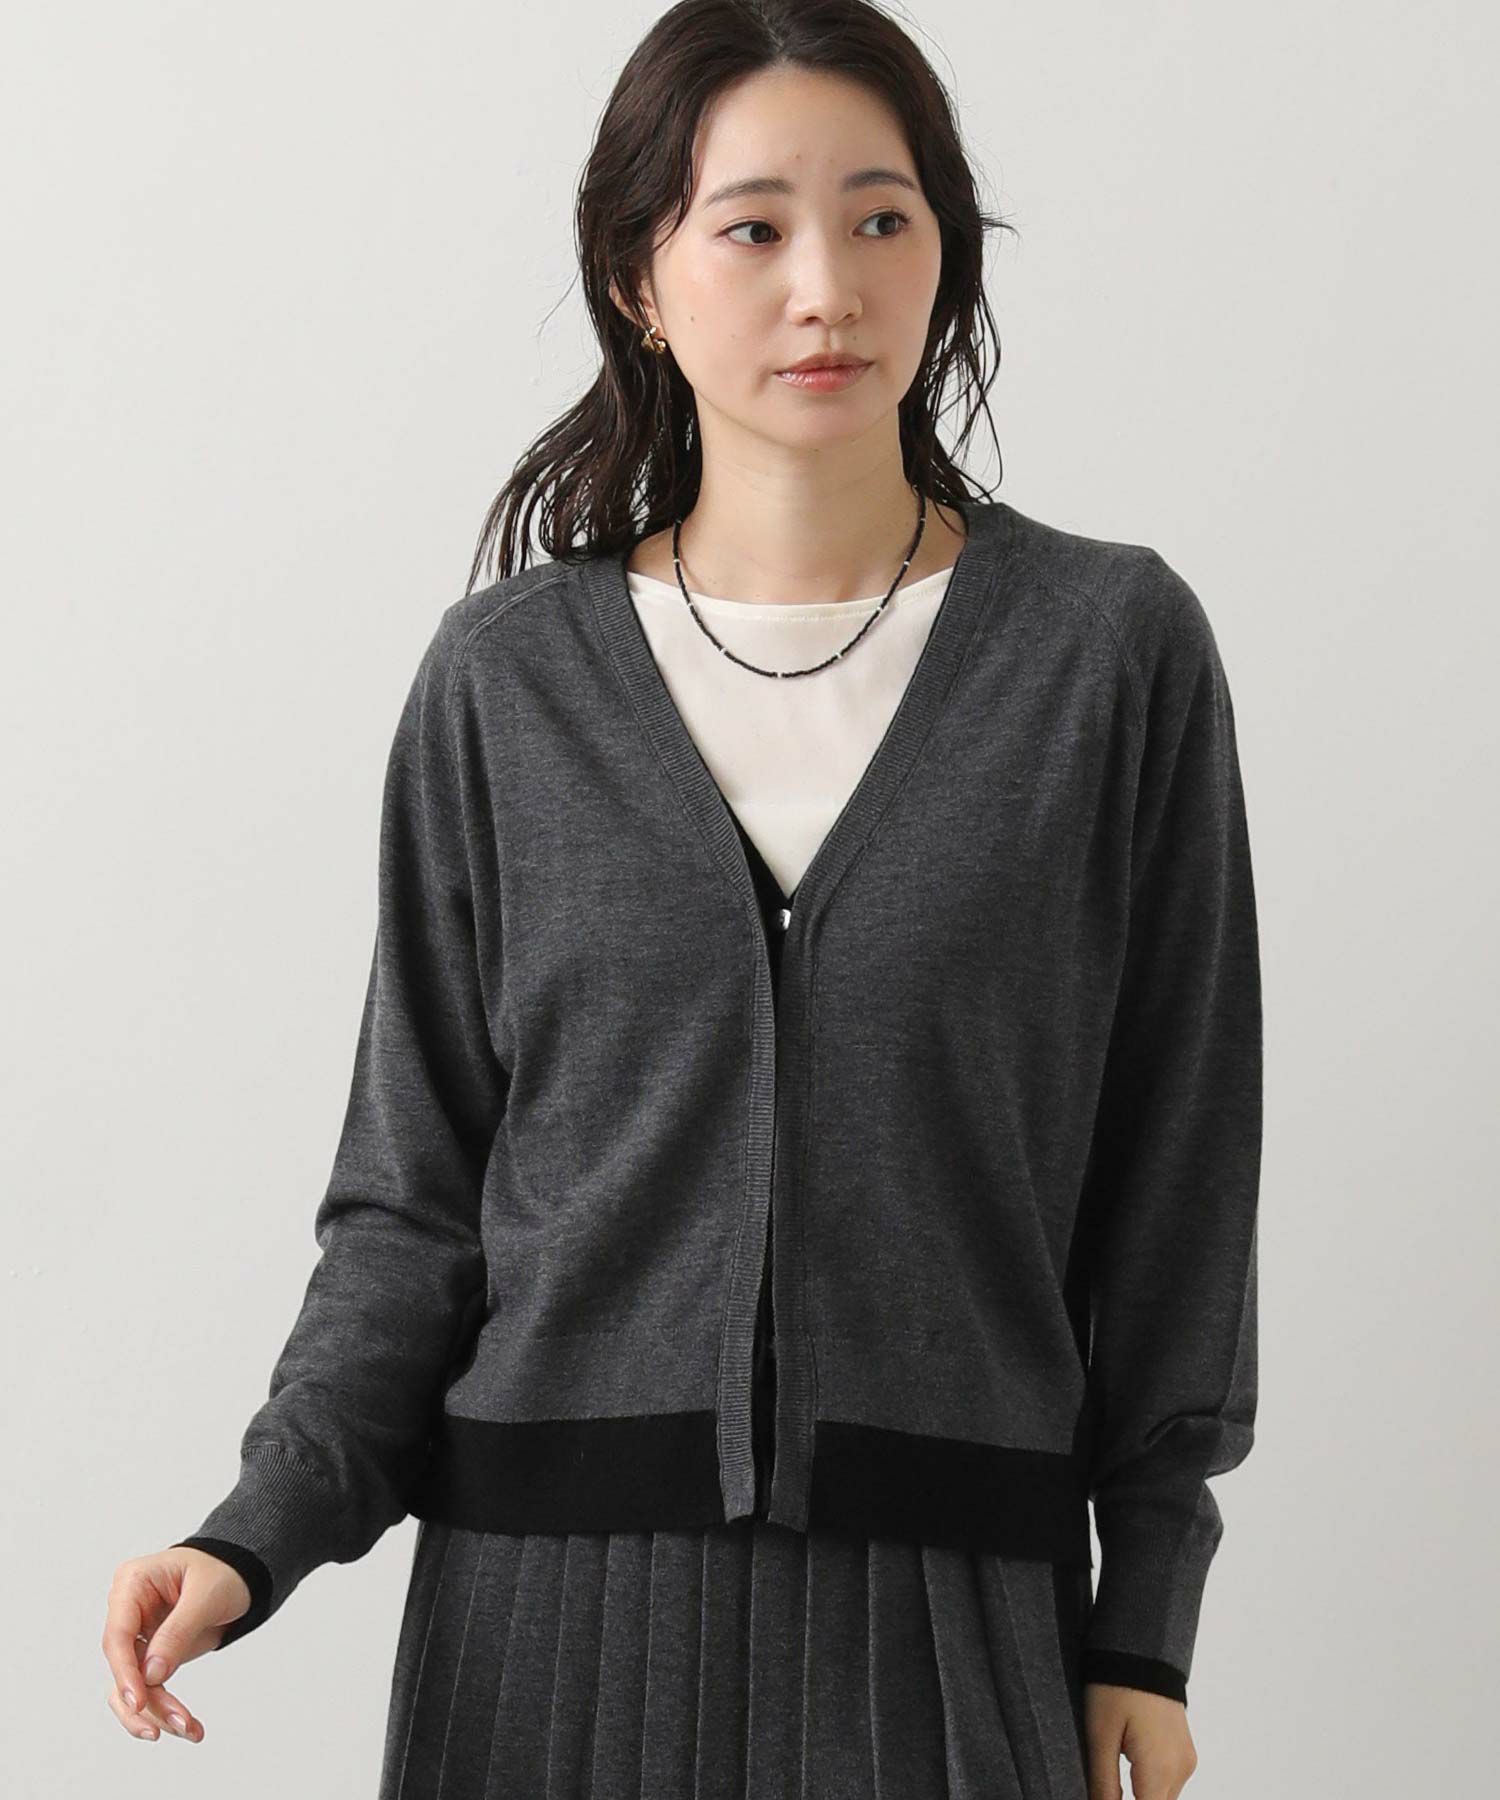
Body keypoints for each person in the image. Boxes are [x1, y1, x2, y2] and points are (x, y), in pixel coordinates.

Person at [102, 5, 1260, 1796]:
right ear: (639, 277)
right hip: (535, 1642)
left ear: (946, 251)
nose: (826, 289)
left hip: (954, 1612)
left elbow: (1176, 1173)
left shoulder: (1108, 657)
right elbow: (414, 1204)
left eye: (881, 218)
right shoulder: (507, 681)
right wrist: (254, 1531)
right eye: (753, 227)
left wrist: (1145, 1622)